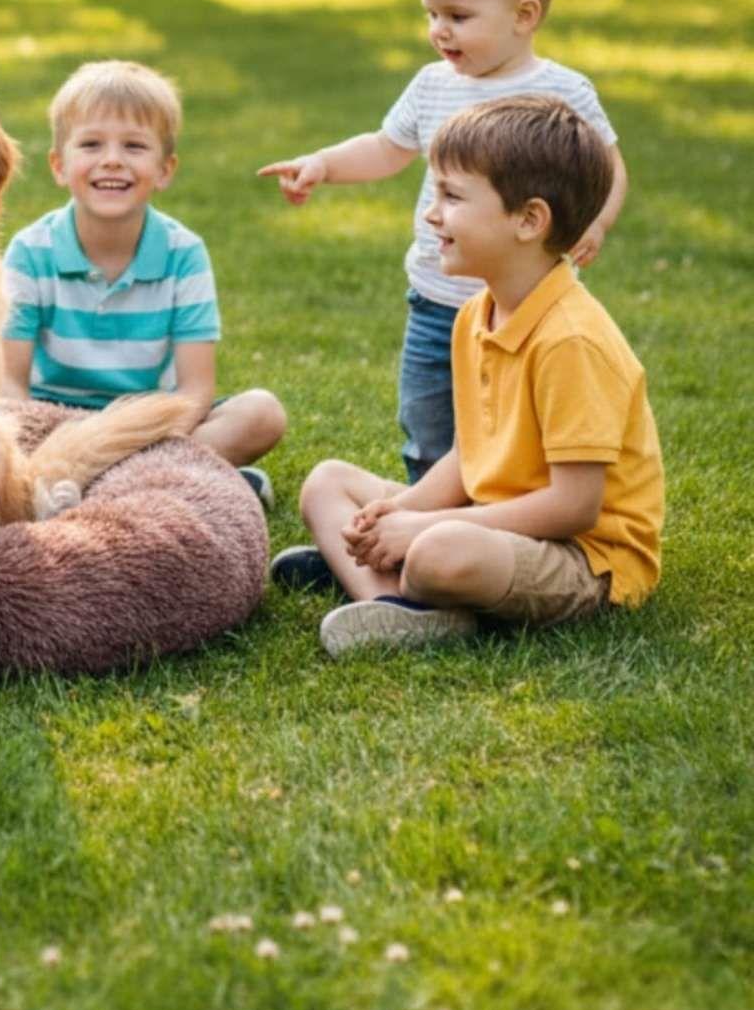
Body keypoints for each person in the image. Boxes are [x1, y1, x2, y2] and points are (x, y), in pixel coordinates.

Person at [276, 96, 663, 656]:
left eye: (451, 197)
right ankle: (390, 600)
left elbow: (575, 505)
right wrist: (402, 512)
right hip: (489, 518)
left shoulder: (572, 339)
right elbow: (468, 457)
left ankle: (403, 576)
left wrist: (424, 531)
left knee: (441, 550)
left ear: (529, 220)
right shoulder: (473, 317)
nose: (432, 214)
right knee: (327, 483)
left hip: (583, 556)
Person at [258, 0, 627, 483]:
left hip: (527, 308)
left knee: (512, 424)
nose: (439, 30)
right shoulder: (433, 86)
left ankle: (498, 520)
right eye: (431, 14)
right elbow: (386, 147)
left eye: (458, 15)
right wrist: (323, 165)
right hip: (436, 300)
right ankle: (423, 522)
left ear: (524, 15)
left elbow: (607, 163)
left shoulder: (561, 91)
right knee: (429, 422)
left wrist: (595, 222)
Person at [1, 60, 286, 507]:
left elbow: (195, 391)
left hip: (147, 427)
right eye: (91, 144)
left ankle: (99, 485)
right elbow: (8, 386)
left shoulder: (184, 253)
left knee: (262, 413)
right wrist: (58, 443)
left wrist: (123, 440)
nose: (112, 159)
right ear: (59, 165)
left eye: (134, 146)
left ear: (166, 168)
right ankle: (178, 481)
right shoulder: (30, 251)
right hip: (51, 425)